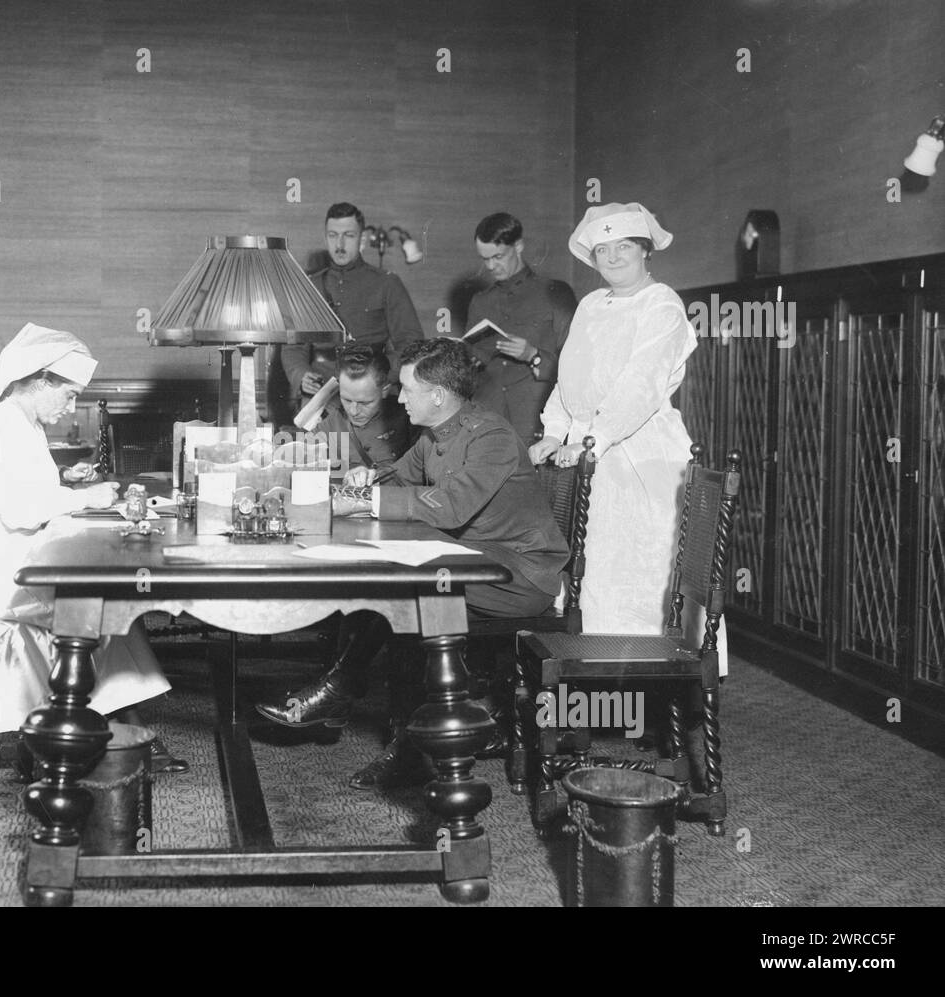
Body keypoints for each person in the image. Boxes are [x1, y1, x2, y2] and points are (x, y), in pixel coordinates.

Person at [255, 338, 570, 786]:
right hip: (473, 561)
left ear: (437, 395)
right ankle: (371, 713)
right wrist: (367, 482)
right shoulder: (435, 435)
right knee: (394, 585)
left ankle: (361, 705)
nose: (399, 399)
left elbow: (451, 507)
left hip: (519, 577)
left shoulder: (491, 437)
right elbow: (399, 476)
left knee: (405, 589)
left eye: (406, 389)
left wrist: (364, 499)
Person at [0, 322, 186, 771]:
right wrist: (85, 498)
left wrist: (65, 482)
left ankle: (113, 724)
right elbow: (19, 509)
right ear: (41, 381)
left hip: (2, 562)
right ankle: (117, 728)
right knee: (93, 606)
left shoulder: (18, 425)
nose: (72, 408)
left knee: (98, 601)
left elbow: (22, 492)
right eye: (68, 395)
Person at [528, 202, 725, 673]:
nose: (613, 257)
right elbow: (568, 377)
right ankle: (589, 675)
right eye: (602, 249)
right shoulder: (592, 305)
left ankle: (645, 679)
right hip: (587, 453)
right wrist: (555, 431)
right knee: (589, 572)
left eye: (624, 247)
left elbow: (642, 386)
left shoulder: (663, 305)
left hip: (639, 455)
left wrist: (593, 439)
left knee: (639, 571)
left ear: (644, 251)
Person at [281, 202, 424, 408]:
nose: (339, 244)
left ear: (362, 238)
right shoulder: (309, 287)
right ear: (325, 237)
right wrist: (301, 376)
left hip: (371, 395)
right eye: (332, 235)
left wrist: (382, 376)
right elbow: (293, 347)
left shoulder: (386, 284)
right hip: (322, 395)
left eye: (348, 235)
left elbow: (411, 344)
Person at [467, 213, 577, 443]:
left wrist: (533, 355)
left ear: (518, 246)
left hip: (537, 422)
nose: (490, 266)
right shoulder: (480, 302)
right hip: (488, 422)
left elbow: (576, 366)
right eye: (484, 259)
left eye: (498, 257)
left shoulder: (555, 293)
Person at [316, 343, 415, 474]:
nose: (353, 411)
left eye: (364, 403)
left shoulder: (408, 418)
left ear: (384, 390)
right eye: (346, 400)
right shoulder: (330, 425)